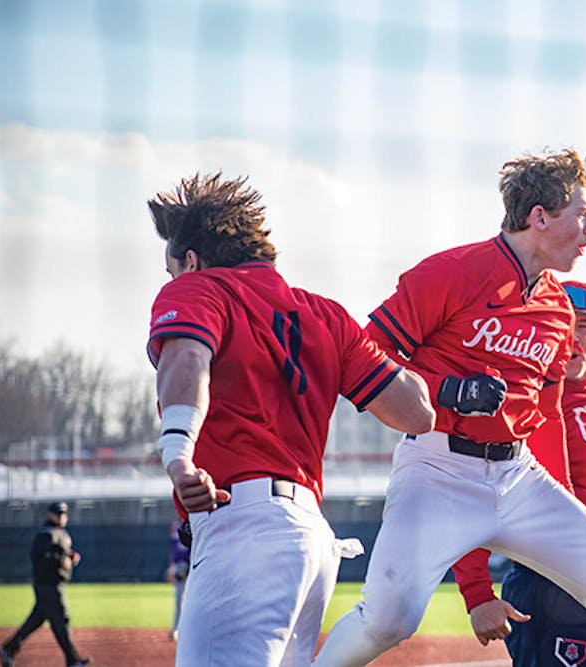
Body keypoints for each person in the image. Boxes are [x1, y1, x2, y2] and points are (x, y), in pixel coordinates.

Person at [313, 150, 586, 666]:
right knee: (388, 621)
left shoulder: (558, 307)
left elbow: (544, 419)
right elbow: (365, 355)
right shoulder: (451, 272)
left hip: (520, 475)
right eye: (581, 212)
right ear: (540, 217)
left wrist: (565, 509)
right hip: (437, 467)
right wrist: (448, 390)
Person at [146, 172, 435, 666]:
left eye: (173, 269)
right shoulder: (326, 314)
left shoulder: (198, 288)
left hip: (244, 530)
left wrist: (177, 454)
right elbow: (418, 412)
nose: (173, 280)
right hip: (309, 539)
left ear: (191, 260)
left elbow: (187, 361)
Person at [454, 280, 586, 666]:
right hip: (554, 581)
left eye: (585, 324)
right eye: (565, 322)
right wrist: (477, 592)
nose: (573, 337)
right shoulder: (521, 400)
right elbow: (476, 488)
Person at [0, 502, 90, 667]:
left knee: (36, 620)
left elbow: (59, 552)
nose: (61, 516)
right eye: (58, 513)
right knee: (61, 621)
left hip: (52, 584)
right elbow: (40, 556)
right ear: (50, 514)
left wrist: (70, 555)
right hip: (49, 585)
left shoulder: (58, 533)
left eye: (63, 513)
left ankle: (8, 649)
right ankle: (73, 660)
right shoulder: (45, 534)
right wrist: (62, 560)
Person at [164, 520, 191, 641]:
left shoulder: (191, 522)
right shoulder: (175, 525)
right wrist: (171, 568)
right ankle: (176, 629)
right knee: (179, 600)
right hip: (178, 566)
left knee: (189, 602)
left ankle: (183, 629)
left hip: (190, 565)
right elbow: (173, 549)